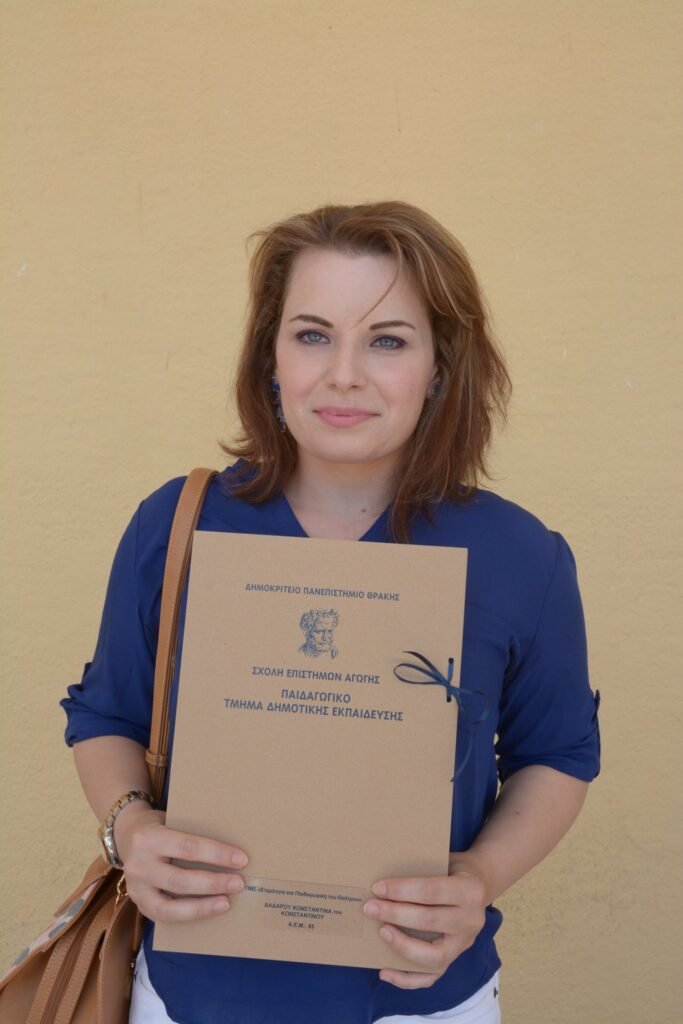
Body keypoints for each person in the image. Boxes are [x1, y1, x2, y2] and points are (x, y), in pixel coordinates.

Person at [61, 200, 600, 1024]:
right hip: (192, 994)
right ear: (270, 358)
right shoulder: (177, 526)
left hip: (420, 999)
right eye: (312, 335)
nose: (344, 374)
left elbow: (555, 753)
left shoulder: (520, 554)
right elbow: (106, 716)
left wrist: (479, 877)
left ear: (439, 367)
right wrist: (129, 832)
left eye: (387, 341)